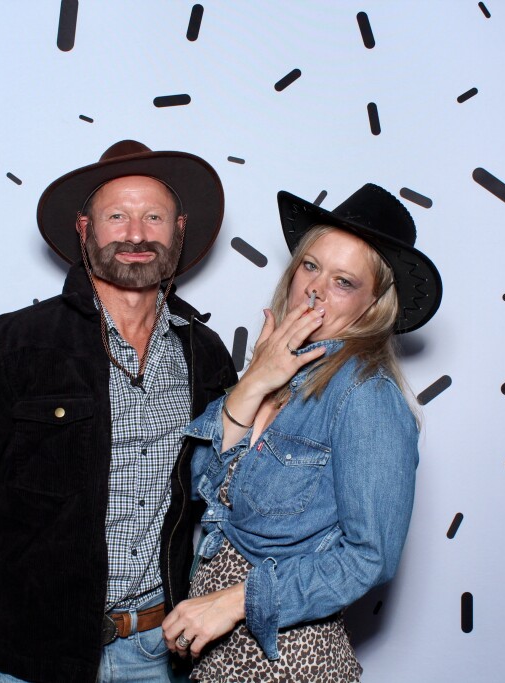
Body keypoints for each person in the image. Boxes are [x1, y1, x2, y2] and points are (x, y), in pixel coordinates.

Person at [0, 140, 236, 683]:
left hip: (164, 654)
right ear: (85, 229)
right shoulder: (14, 343)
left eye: (154, 217)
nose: (136, 234)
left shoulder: (205, 353)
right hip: (34, 660)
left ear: (178, 230)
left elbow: (233, 493)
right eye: (117, 216)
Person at [161, 183, 442, 681]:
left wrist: (237, 601)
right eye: (310, 266)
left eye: (343, 282)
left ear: (372, 305)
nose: (315, 289)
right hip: (215, 656)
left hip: (288, 661)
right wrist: (255, 381)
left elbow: (370, 557)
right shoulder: (278, 369)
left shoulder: (365, 395)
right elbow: (200, 487)